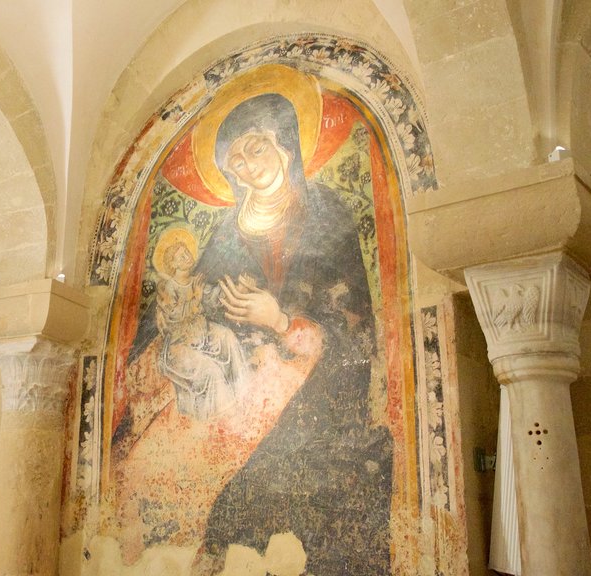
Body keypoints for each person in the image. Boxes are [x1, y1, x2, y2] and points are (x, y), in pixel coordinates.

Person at [190, 92, 394, 575]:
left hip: (321, 393)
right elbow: (194, 308)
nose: (246, 166)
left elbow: (356, 327)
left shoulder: (326, 210)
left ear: (284, 145)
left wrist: (279, 321)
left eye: (254, 148)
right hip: (244, 390)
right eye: (234, 161)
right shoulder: (224, 234)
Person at [152, 228, 248, 420]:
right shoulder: (168, 287)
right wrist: (195, 299)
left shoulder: (195, 282)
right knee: (211, 371)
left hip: (202, 334)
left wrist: (239, 288)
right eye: (181, 256)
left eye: (187, 252)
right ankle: (223, 416)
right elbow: (174, 319)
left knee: (228, 336)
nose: (187, 257)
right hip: (179, 346)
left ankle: (244, 391)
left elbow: (214, 297)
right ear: (173, 264)